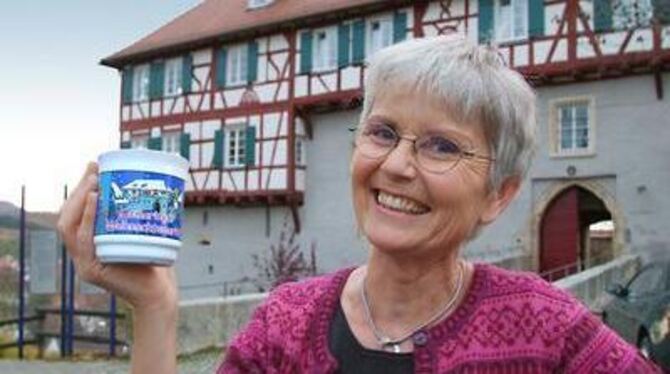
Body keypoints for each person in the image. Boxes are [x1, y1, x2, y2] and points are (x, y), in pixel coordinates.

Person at [58, 36, 661, 373]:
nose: (397, 165)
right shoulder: (285, 326)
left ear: (498, 196)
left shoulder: (547, 328)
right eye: (381, 132)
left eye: (442, 146)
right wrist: (156, 307)